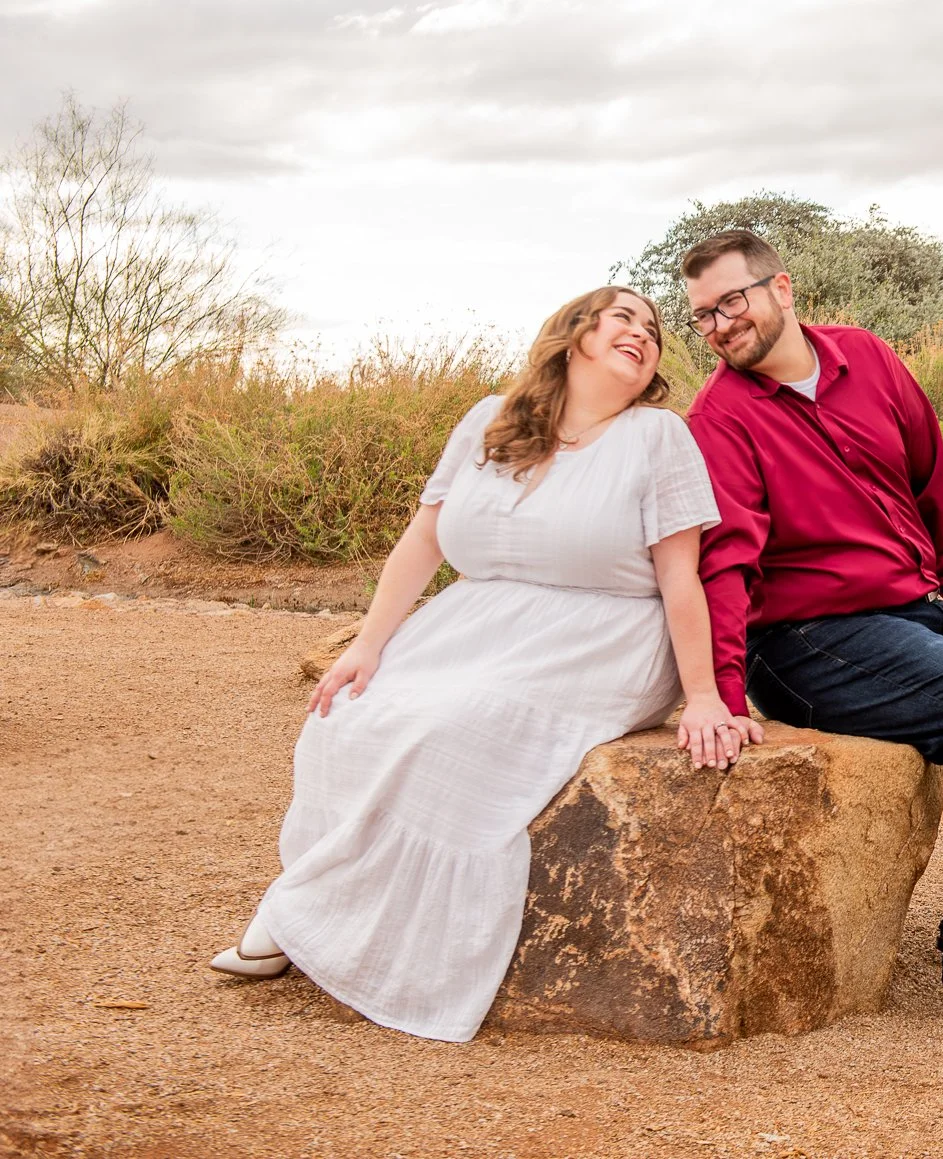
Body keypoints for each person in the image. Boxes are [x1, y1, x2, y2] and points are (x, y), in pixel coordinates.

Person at [208, 286, 750, 1044]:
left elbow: (680, 577)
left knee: (451, 728)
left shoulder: (658, 436)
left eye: (654, 330)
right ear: (574, 334)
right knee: (352, 713)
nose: (643, 333)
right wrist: (368, 642)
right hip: (474, 620)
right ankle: (308, 907)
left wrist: (701, 695)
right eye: (623, 316)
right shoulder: (490, 419)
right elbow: (423, 540)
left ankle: (300, 918)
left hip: (601, 636)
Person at [681, 229, 943, 1013]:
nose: (720, 325)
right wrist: (724, 694)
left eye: (730, 301)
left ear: (782, 289)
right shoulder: (721, 417)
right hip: (805, 642)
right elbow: (726, 563)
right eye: (703, 316)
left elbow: (934, 481)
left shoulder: (865, 357)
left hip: (914, 616)